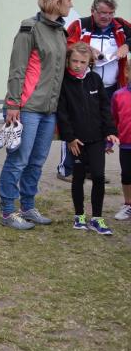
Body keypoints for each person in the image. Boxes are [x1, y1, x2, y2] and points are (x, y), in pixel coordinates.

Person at [0, 0, 70, 230]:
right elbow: (17, 68)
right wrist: (13, 103)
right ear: (56, 1)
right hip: (27, 107)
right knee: (18, 160)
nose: (71, 3)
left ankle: (28, 207)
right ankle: (8, 211)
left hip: (49, 110)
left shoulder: (61, 32)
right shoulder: (30, 28)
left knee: (37, 161)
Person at [57, 0, 129, 182]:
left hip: (112, 86)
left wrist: (126, 45)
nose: (107, 17)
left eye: (110, 13)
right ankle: (66, 169)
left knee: (99, 127)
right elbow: (65, 44)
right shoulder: (80, 25)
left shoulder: (120, 25)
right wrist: (86, 49)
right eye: (103, 12)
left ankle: (91, 169)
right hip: (83, 83)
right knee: (75, 124)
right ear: (93, 11)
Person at [56, 42, 119, 235]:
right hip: (77, 141)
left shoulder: (94, 79)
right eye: (74, 61)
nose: (78, 65)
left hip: (97, 139)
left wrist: (110, 131)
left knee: (98, 176)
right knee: (79, 177)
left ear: (89, 62)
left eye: (82, 62)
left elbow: (105, 107)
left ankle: (97, 218)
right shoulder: (64, 82)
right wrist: (70, 138)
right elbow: (62, 113)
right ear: (68, 60)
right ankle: (79, 216)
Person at [111, 59, 131, 221]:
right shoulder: (118, 95)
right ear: (127, 72)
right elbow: (113, 120)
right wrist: (109, 140)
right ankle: (128, 204)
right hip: (126, 145)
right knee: (127, 175)